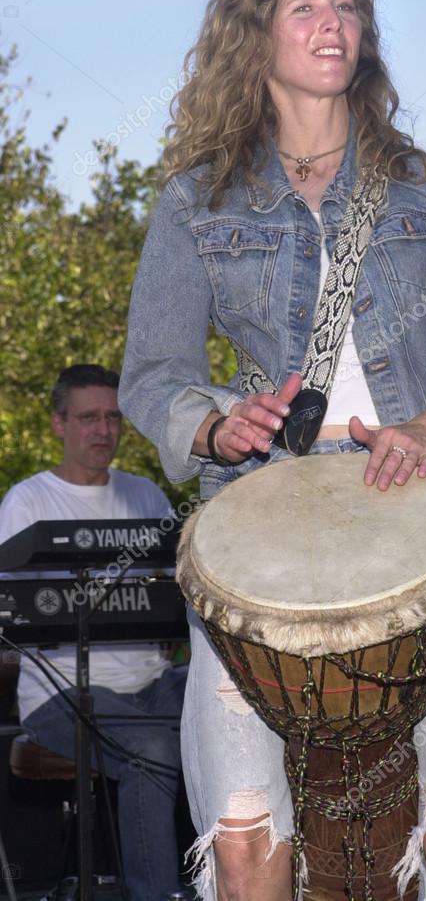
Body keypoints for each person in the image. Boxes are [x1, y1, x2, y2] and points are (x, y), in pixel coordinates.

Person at [119, 0, 426, 901]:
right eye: (305, 5)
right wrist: (213, 426)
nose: (333, 21)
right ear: (255, 36)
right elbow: (154, 375)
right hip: (256, 521)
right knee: (241, 837)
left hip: (423, 508)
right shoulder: (196, 202)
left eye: (347, 4)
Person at [0, 364, 188, 901]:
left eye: (112, 417)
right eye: (88, 418)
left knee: (229, 705)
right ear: (60, 424)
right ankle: (158, 894)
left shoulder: (145, 495)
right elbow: (10, 615)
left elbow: (173, 594)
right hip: (62, 694)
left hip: (151, 682)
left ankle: (229, 878)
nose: (103, 430)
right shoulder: (27, 503)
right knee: (151, 745)